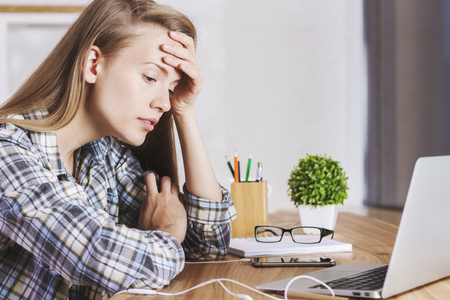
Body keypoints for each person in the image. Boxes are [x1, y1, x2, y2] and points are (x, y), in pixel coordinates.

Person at [0, 0, 236, 299]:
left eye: (172, 87)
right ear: (93, 64)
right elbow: (97, 255)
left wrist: (185, 112)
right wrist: (163, 236)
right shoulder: (7, 152)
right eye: (151, 78)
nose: (163, 103)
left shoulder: (104, 155)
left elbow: (205, 245)